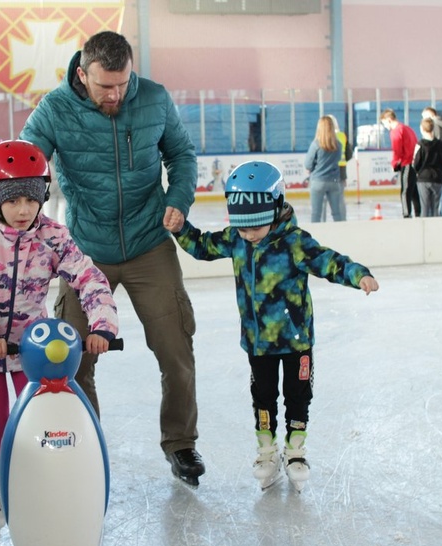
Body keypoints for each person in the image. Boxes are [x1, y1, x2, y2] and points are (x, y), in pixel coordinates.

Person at [19, 30, 205, 487]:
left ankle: (181, 443)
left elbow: (182, 154)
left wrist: (179, 197)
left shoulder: (155, 100)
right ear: (82, 74)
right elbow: (26, 163)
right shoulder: (56, 109)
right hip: (85, 252)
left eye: (122, 83)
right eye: (105, 86)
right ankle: (85, 446)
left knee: (176, 348)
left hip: (150, 243)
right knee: (72, 357)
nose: (116, 94)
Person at [165, 160, 379, 493]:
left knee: (297, 396)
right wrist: (181, 229)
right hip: (258, 342)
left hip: (296, 342)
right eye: (242, 227)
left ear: (276, 210)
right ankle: (267, 450)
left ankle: (295, 450)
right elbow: (203, 246)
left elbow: (330, 262)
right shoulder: (238, 240)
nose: (247, 234)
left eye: (254, 226)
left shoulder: (295, 243)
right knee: (262, 396)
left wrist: (359, 274)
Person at [0, 139, 118, 538]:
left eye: (32, 199)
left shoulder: (53, 235)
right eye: (13, 200)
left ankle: (38, 478)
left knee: (40, 411)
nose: (24, 210)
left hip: (31, 346)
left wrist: (102, 324)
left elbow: (87, 277)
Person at [380, 109, 420, 218]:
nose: (385, 126)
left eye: (384, 123)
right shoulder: (408, 128)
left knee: (405, 191)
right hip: (414, 163)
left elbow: (397, 150)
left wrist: (394, 164)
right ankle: (419, 212)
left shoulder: (396, 131)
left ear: (389, 120)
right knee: (414, 190)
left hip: (406, 163)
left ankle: (406, 213)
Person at [304, 115, 345, 222]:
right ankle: (341, 233)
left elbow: (308, 164)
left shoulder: (316, 144)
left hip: (318, 181)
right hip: (334, 181)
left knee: (316, 214)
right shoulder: (339, 145)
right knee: (337, 213)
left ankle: (315, 236)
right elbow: (339, 159)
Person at [422, 106, 442, 216]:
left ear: (431, 115)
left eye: (424, 117)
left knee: (435, 193)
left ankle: (433, 216)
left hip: (437, 164)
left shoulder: (433, 126)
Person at [413, 118, 442, 217]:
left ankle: (425, 229)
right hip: (437, 178)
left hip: (424, 178)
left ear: (422, 129)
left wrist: (418, 171)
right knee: (435, 207)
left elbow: (416, 163)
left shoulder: (420, 145)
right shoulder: (440, 144)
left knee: (425, 206)